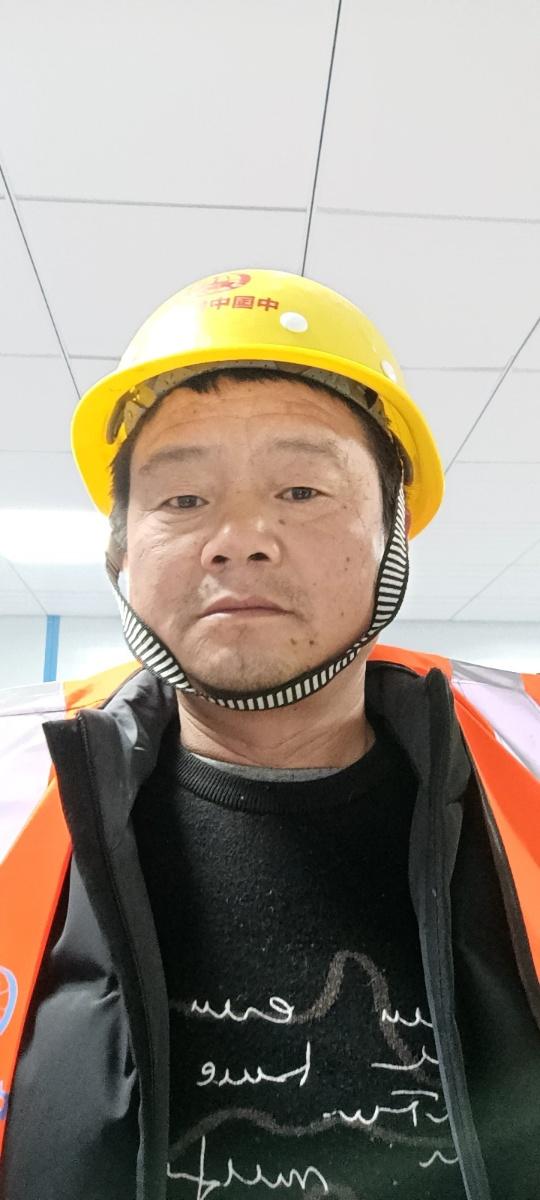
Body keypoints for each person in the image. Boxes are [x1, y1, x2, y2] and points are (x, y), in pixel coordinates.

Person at [0, 269, 539, 1200]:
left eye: (301, 488)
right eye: (181, 500)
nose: (240, 537)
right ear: (120, 551)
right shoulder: (10, 791)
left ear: (393, 532)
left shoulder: (528, 756)